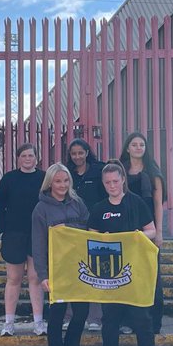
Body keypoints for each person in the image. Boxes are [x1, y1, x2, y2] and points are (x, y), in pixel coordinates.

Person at [87, 160, 161, 346]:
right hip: (110, 274)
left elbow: (152, 232)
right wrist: (104, 239)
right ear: (103, 183)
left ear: (123, 181)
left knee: (141, 317)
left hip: (135, 270)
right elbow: (91, 238)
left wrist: (136, 235)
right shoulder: (99, 209)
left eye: (115, 181)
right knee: (110, 318)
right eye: (108, 182)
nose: (112, 186)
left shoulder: (136, 203)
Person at [32, 164, 90, 346]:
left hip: (79, 268)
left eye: (65, 181)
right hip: (56, 270)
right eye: (58, 181)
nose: (62, 185)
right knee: (56, 316)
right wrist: (43, 275)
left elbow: (88, 232)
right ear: (50, 183)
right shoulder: (41, 209)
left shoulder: (78, 204)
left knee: (81, 312)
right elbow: (38, 244)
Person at [0, 143, 46, 336]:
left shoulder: (43, 178)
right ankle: (8, 323)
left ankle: (38, 323)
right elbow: (0, 205)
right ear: (18, 158)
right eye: (24, 155)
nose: (27, 159)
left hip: (37, 234)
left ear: (36, 158)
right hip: (14, 234)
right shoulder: (9, 179)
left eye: (31, 155)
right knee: (13, 278)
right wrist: (2, 230)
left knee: (35, 278)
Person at [119, 132, 166, 335]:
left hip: (148, 229)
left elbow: (158, 203)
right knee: (126, 275)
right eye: (134, 144)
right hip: (124, 230)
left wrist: (159, 233)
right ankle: (127, 321)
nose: (138, 148)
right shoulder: (120, 171)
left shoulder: (153, 172)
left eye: (142, 145)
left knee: (150, 276)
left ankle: (153, 322)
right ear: (127, 148)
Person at [64, 137, 106, 332]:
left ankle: (95, 317)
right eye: (74, 153)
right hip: (72, 229)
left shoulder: (99, 171)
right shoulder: (66, 173)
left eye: (81, 152)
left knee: (94, 272)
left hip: (95, 227)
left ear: (87, 152)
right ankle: (69, 315)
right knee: (72, 271)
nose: (77, 156)